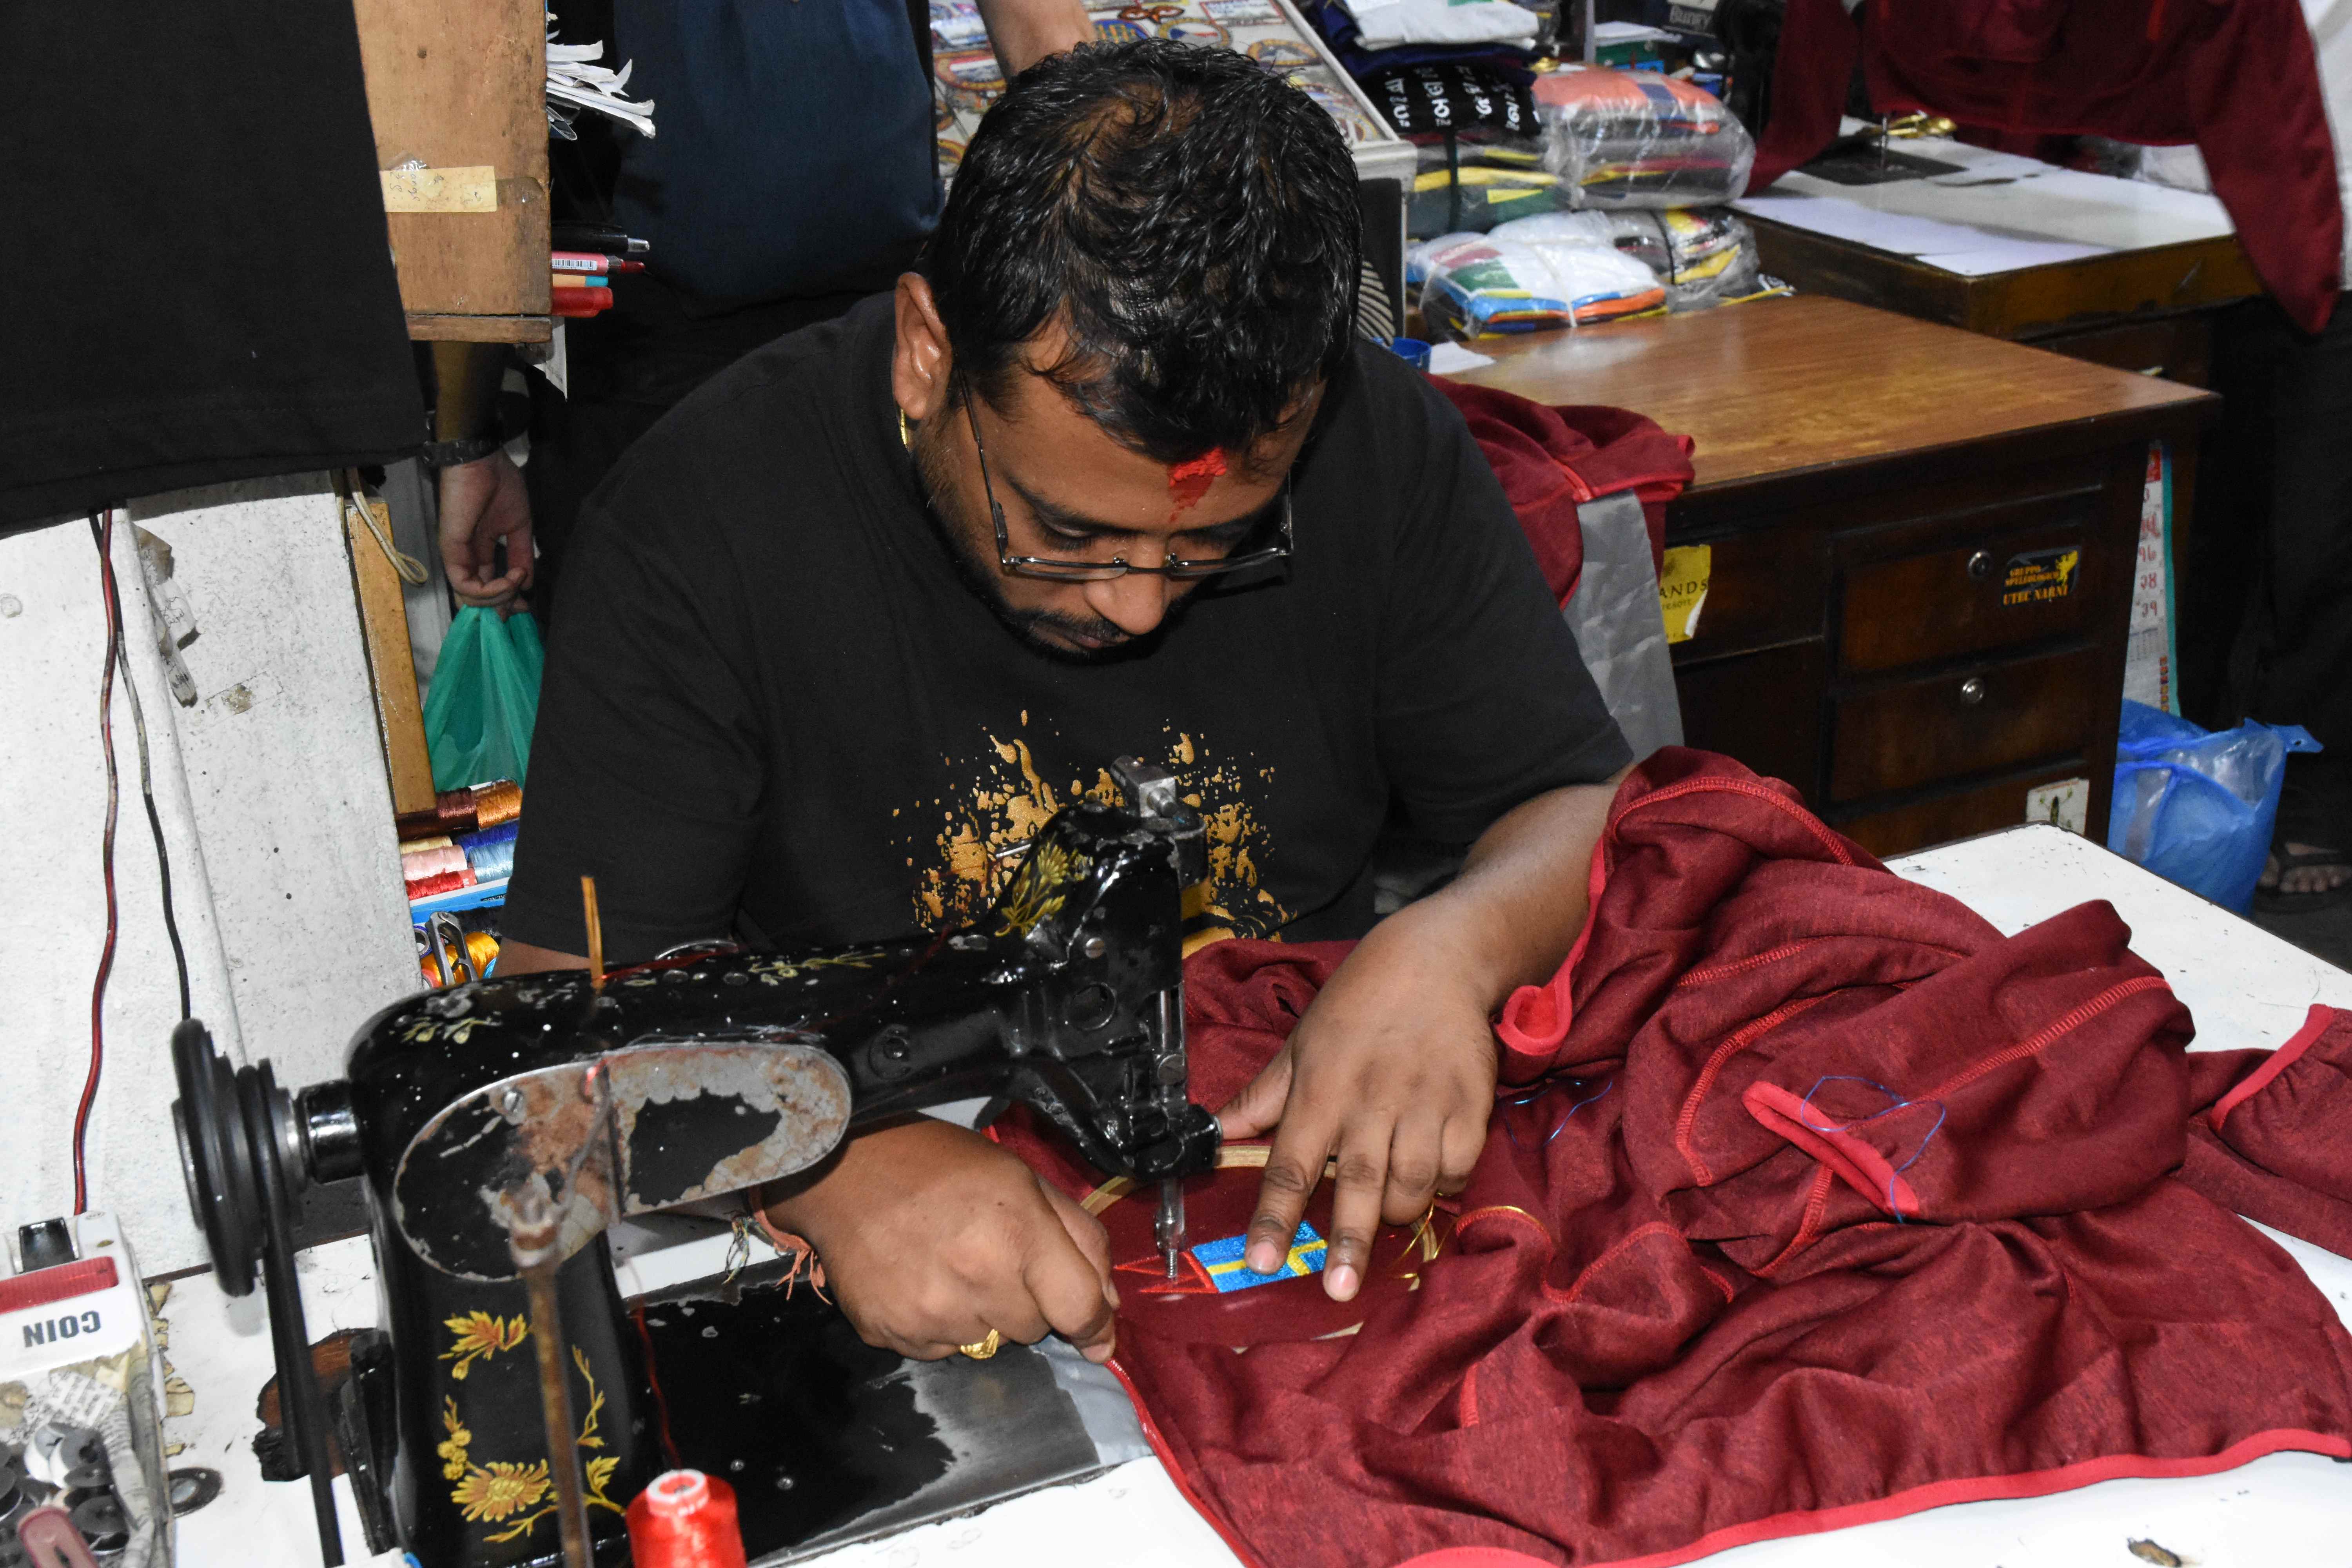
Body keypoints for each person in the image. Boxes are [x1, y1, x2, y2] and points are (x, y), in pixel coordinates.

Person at [494, 40, 1632, 1365]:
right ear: (928, 354)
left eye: (1216, 544)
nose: (1137, 607)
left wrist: (1453, 947)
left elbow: (1581, 806)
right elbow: (553, 1040)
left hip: (1272, 1190)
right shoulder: (701, 524)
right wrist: (814, 1168)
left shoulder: (1378, 447)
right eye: (1067, 535)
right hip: (895, 1204)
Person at [429, 0, 1094, 620]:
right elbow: (468, 86)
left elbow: (466, 93)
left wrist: (467, 437)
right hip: (658, 333)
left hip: (858, 318)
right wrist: (467, 436)